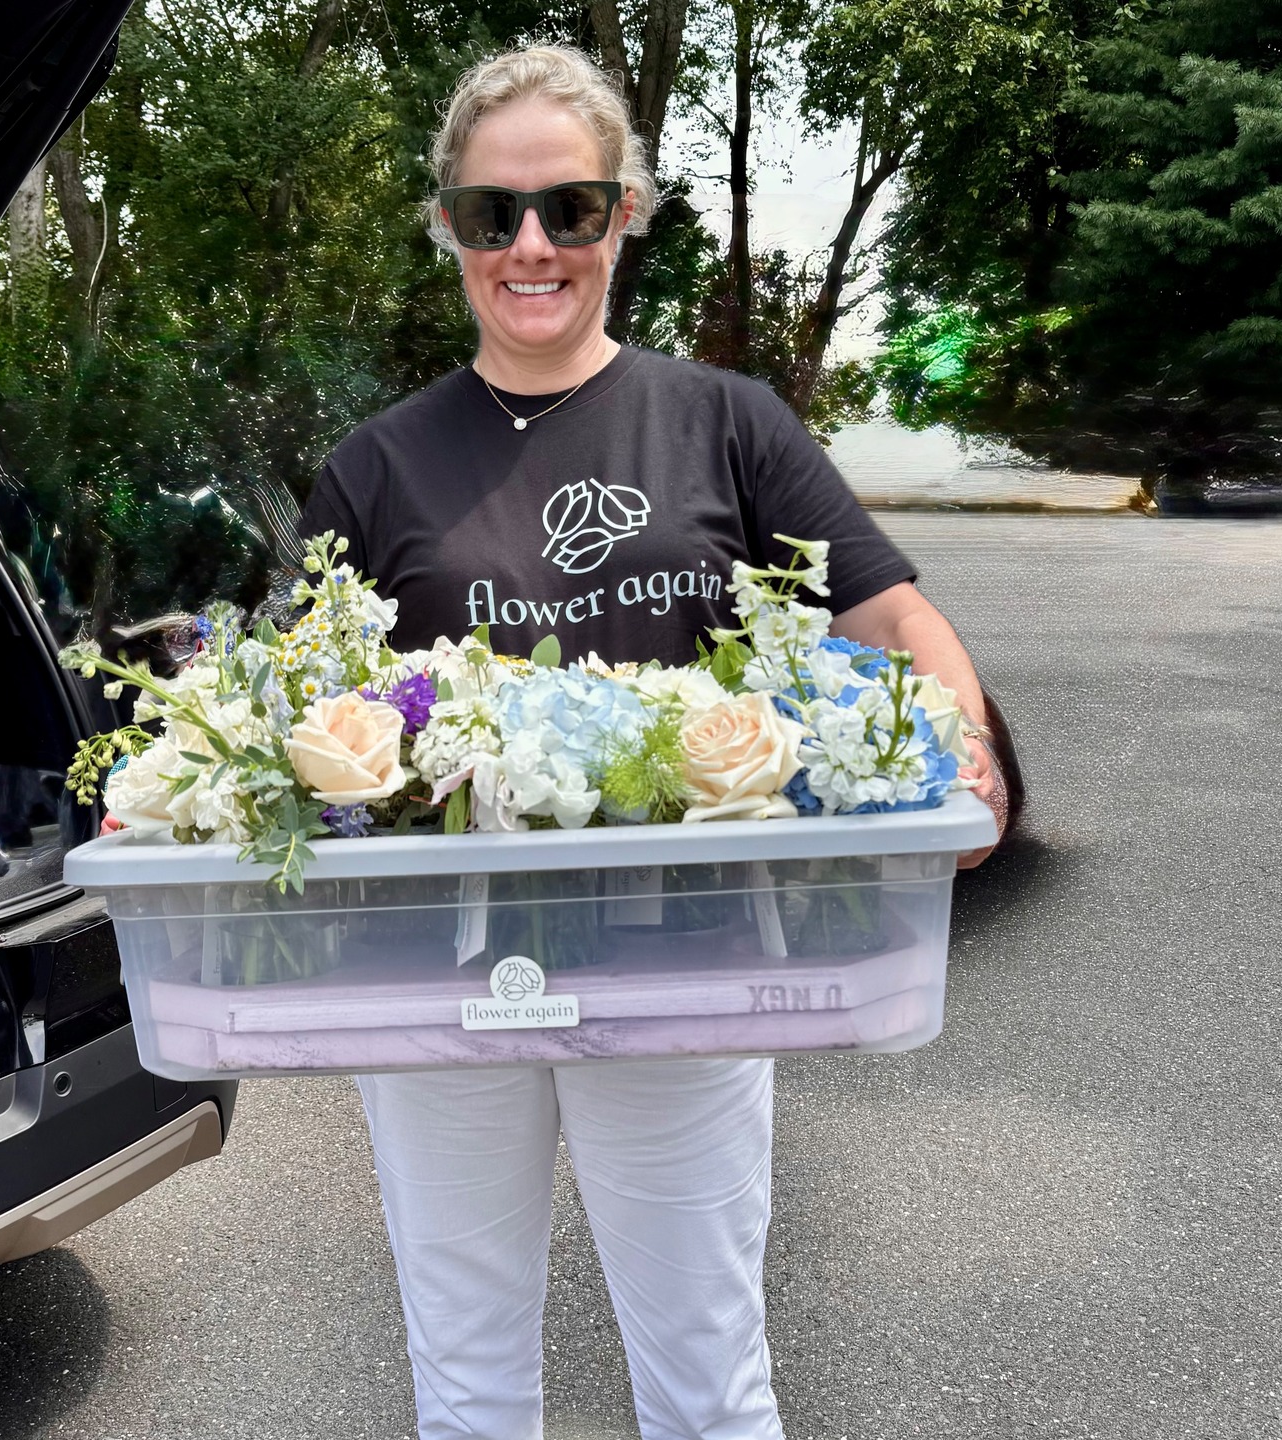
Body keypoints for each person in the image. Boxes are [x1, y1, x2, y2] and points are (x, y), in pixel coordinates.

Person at [297, 44, 1014, 1440]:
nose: (529, 245)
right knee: (467, 1373)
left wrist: (963, 749)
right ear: (445, 225)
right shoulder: (375, 466)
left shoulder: (724, 424)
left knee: (705, 1371)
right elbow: (301, 702)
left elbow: (886, 610)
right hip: (442, 971)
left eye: (569, 208)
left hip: (686, 959)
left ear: (626, 215)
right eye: (488, 213)